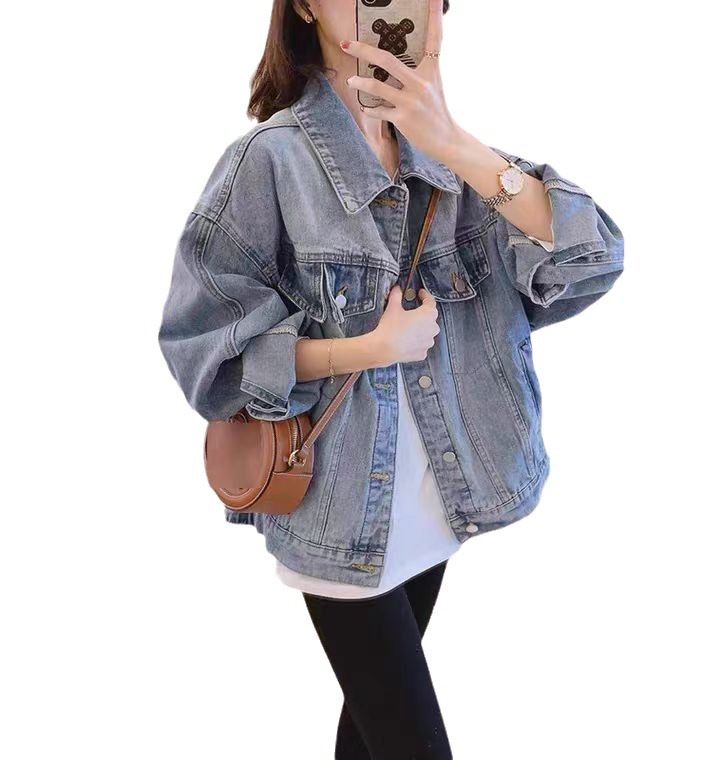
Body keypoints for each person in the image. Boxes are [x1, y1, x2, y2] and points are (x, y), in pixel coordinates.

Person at [157, 1, 625, 757]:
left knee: (370, 736)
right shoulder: (269, 164)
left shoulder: (458, 170)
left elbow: (593, 258)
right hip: (338, 515)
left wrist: (454, 143)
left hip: (440, 502)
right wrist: (365, 349)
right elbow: (204, 355)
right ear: (305, 5)